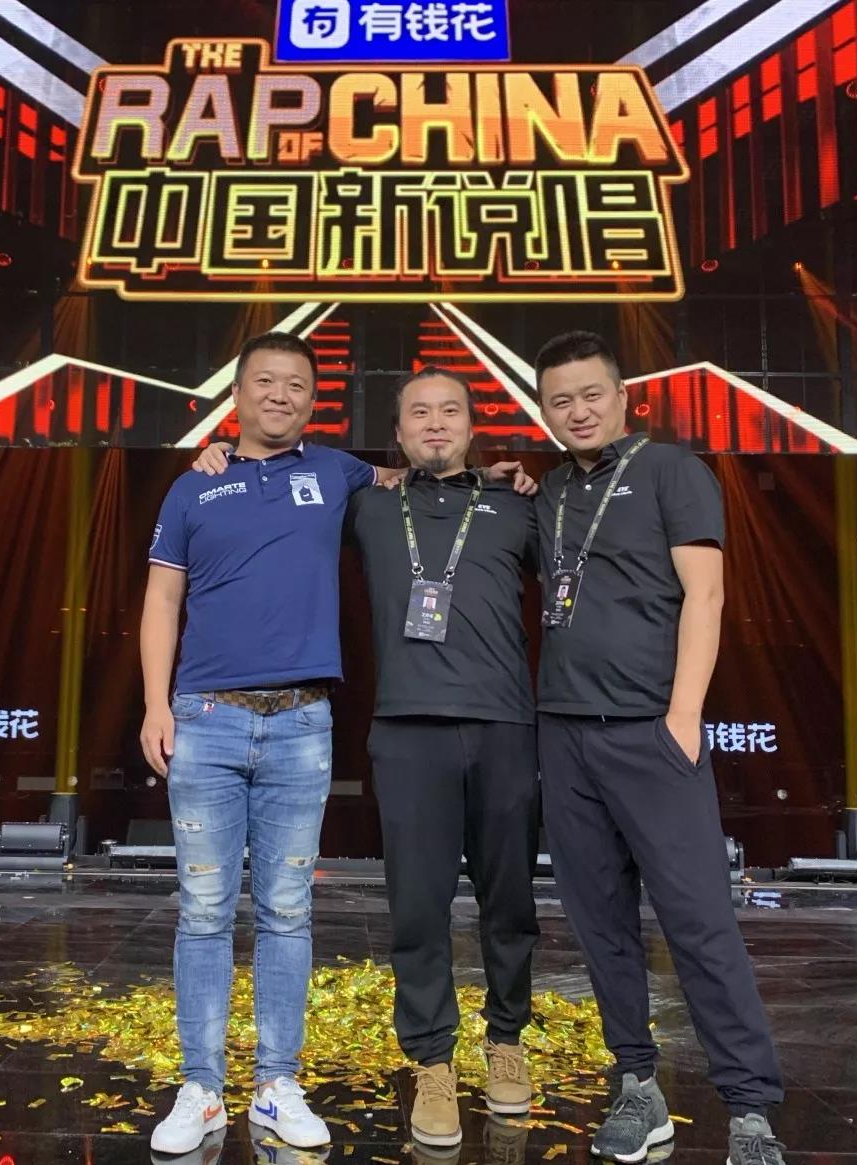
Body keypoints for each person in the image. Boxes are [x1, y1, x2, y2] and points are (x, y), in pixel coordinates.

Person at [195, 365, 541, 1151]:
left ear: (472, 425)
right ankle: (433, 1062)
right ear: (398, 432)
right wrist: (221, 457)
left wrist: (516, 477)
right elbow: (275, 493)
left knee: (510, 902)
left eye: (449, 410)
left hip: (505, 727)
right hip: (408, 731)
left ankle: (507, 1039)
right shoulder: (368, 503)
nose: (435, 423)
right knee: (417, 908)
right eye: (419, 412)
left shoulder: (517, 506)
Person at [141, 331, 399, 1156]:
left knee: (288, 909)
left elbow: (415, 479)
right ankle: (201, 1088)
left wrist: (505, 476)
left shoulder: (336, 471)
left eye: (295, 384)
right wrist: (155, 705)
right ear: (239, 393)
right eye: (265, 381)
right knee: (204, 910)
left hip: (301, 722)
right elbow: (162, 601)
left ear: (313, 401)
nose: (279, 395)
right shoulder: (193, 486)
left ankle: (278, 1084)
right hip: (205, 718)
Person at [532, 331, 786, 1165]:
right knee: (601, 924)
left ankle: (750, 1110)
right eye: (560, 399)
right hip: (565, 732)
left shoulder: (673, 471)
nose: (577, 411)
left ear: (623, 396)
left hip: (652, 729)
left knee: (699, 922)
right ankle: (637, 1087)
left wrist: (683, 716)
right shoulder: (551, 490)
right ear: (544, 409)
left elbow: (705, 596)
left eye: (590, 394)